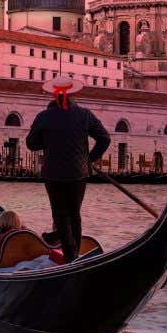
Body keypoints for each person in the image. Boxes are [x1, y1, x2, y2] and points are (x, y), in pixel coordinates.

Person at [26, 75, 110, 263]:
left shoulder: (43, 117)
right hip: (78, 173)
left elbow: (31, 144)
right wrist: (88, 159)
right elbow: (105, 139)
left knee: (60, 215)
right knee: (74, 214)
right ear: (72, 94)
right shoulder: (85, 114)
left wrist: (46, 140)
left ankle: (70, 255)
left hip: (53, 174)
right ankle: (74, 254)